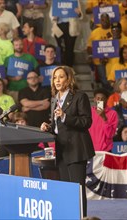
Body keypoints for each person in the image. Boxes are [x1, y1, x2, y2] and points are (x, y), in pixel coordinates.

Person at [40, 66, 94, 217]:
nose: (57, 80)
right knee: (66, 189)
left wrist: (65, 116)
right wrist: (48, 127)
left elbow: (86, 122)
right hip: (62, 151)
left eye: (61, 77)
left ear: (68, 79)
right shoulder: (54, 99)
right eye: (55, 77)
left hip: (76, 150)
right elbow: (59, 126)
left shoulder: (79, 96)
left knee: (76, 189)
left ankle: (81, 217)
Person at [51, 0, 83, 67]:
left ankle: (70, 68)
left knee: (70, 48)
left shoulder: (75, 1)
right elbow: (51, 14)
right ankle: (61, 67)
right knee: (60, 48)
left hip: (71, 26)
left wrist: (78, 13)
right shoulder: (56, 1)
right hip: (59, 26)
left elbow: (81, 16)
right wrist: (54, 17)